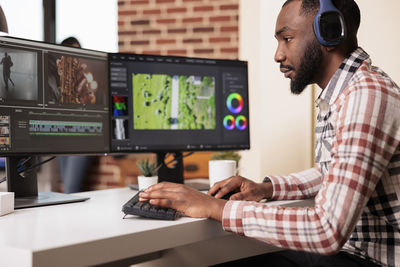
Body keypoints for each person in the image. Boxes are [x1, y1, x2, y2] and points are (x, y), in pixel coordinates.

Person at [139, 0, 400, 266]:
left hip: (376, 260)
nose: (278, 55)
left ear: (329, 32)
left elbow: (326, 231)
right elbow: (335, 171)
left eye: (287, 38)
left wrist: (215, 207)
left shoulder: (366, 96)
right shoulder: (346, 92)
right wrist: (266, 188)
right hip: (356, 252)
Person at [56, 36, 94, 193]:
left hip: (81, 140)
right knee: (67, 187)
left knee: (70, 189)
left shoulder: (84, 77)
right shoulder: (58, 77)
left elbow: (90, 103)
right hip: (62, 138)